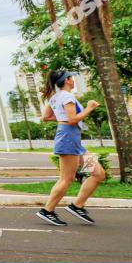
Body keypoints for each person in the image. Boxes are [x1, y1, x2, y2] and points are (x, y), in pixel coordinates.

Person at [36, 69, 105, 226]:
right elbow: (73, 119)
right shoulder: (66, 96)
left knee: (98, 173)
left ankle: (77, 205)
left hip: (73, 140)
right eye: (71, 77)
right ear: (67, 80)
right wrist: (89, 107)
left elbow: (46, 117)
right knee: (66, 179)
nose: (73, 80)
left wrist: (62, 119)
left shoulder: (55, 97)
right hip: (68, 138)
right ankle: (47, 211)